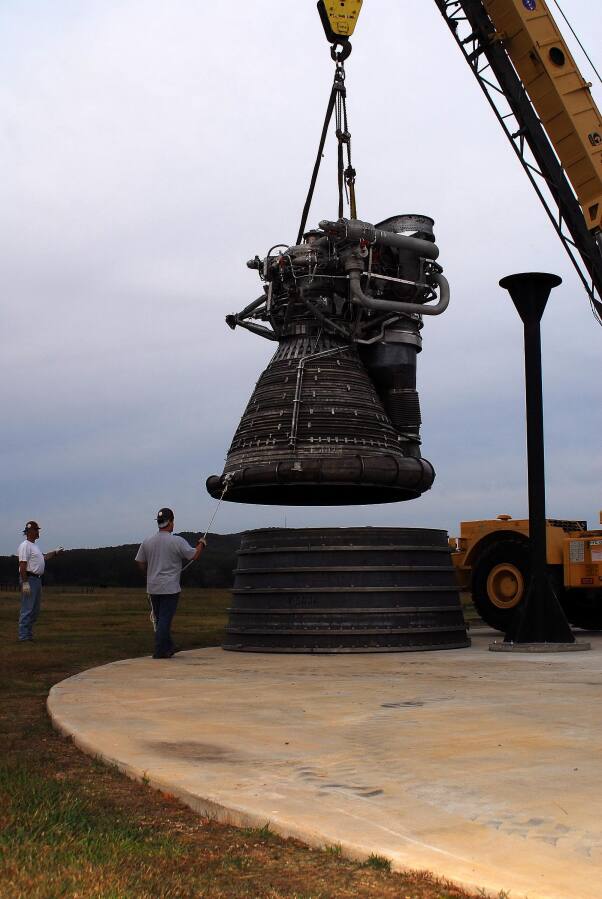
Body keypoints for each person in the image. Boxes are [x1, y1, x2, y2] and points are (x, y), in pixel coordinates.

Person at [135, 508, 206, 659]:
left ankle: (168, 647)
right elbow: (194, 555)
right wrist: (201, 544)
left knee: (160, 619)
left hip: (152, 587)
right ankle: (160, 651)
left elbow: (140, 562)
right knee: (164, 620)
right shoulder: (176, 541)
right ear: (171, 522)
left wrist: (148, 574)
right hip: (170, 588)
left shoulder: (147, 541)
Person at [17, 521, 64, 642]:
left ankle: (28, 634)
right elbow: (22, 565)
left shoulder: (35, 547)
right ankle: (24, 636)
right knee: (27, 608)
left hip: (36, 580)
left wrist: (55, 552)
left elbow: (43, 558)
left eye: (38, 530)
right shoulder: (25, 545)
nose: (38, 532)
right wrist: (25, 583)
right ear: (29, 532)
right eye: (36, 530)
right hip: (29, 578)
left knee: (35, 609)